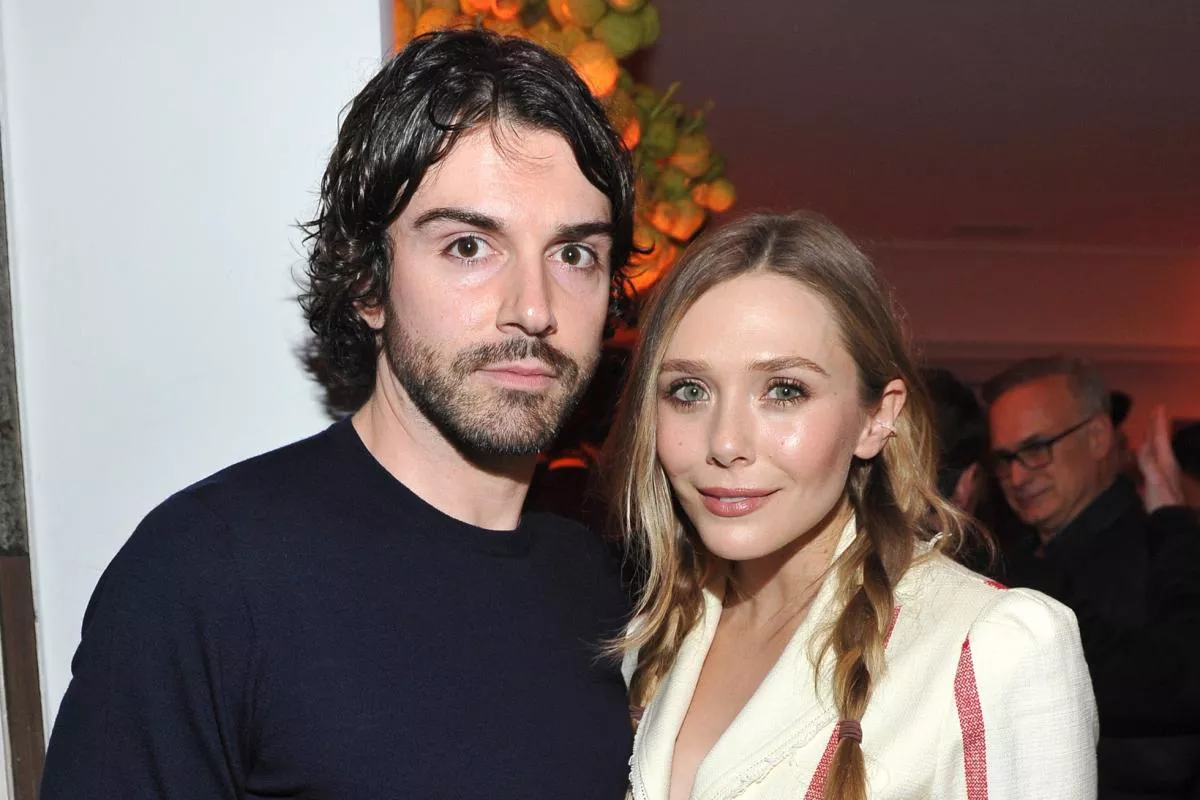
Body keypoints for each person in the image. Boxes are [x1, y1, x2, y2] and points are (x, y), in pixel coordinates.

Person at [41, 29, 637, 799]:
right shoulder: (207, 574)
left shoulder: (601, 585)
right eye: (468, 246)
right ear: (367, 284)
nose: (534, 307)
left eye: (574, 254)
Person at [605, 212, 1097, 800]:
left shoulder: (994, 645)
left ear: (877, 418)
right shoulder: (650, 635)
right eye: (689, 391)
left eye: (784, 390)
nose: (726, 443)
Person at [982, 358, 1200, 798]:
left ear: (1098, 436)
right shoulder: (1019, 554)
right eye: (1005, 459)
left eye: (1037, 448)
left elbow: (1166, 746)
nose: (1018, 476)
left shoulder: (1154, 553)